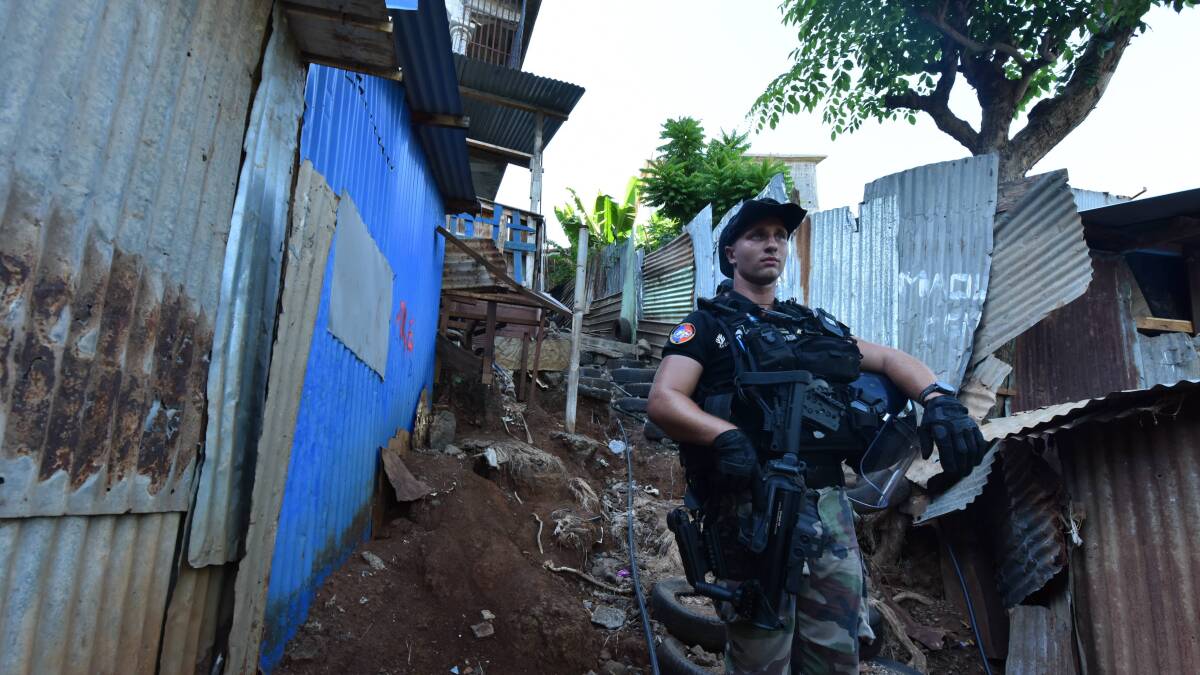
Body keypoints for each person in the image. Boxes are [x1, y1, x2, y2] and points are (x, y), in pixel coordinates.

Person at [647, 198, 986, 675]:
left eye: (780, 237)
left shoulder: (807, 325)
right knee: (761, 653)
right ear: (730, 253)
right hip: (751, 506)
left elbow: (891, 359)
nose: (771, 244)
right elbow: (664, 399)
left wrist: (937, 399)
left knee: (835, 650)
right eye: (756, 235)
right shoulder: (707, 326)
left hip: (828, 506)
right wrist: (724, 435)